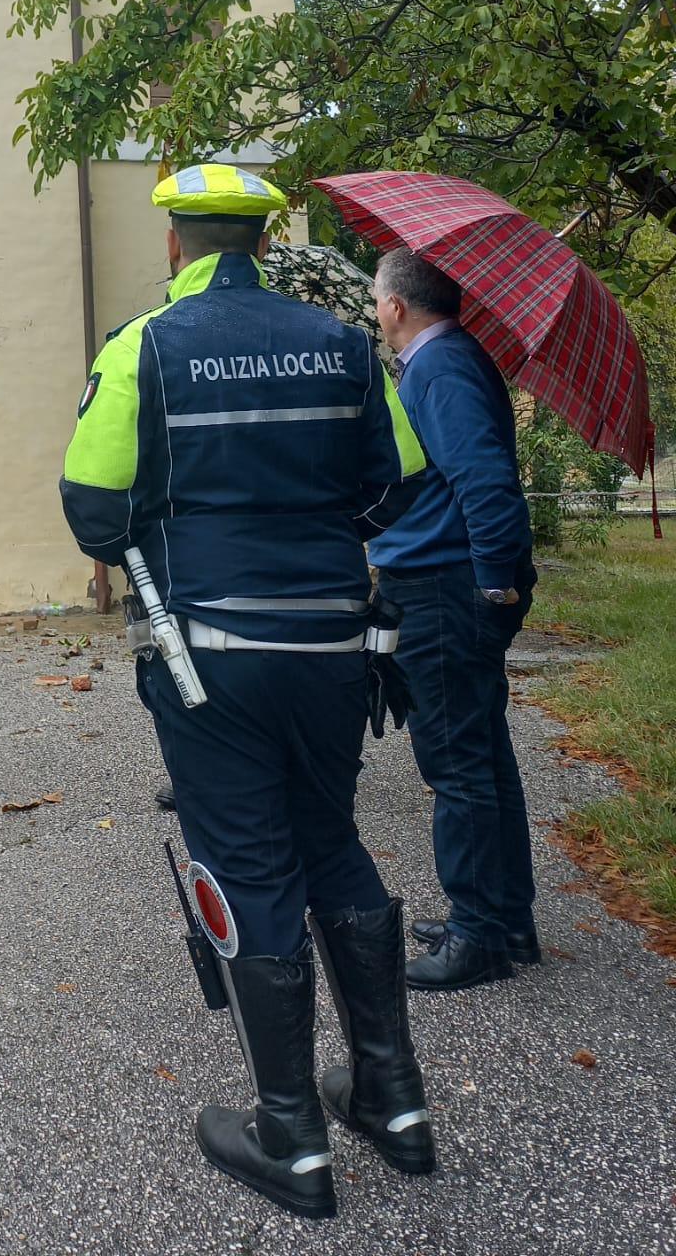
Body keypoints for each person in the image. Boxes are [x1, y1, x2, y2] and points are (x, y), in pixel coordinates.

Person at [59, 164, 434, 1222]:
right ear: (262, 240)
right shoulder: (343, 342)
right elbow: (397, 478)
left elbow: (92, 506)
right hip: (330, 642)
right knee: (332, 837)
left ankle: (291, 1132)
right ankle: (391, 1098)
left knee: (247, 857)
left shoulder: (144, 345)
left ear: (175, 241)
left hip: (208, 648)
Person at [370, 247, 539, 991]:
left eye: (377, 297)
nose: (376, 308)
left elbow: (485, 480)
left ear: (396, 306)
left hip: (446, 589)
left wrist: (496, 584)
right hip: (448, 582)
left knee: (458, 764)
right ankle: (503, 920)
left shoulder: (439, 368)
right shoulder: (449, 361)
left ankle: (479, 936)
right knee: (482, 754)